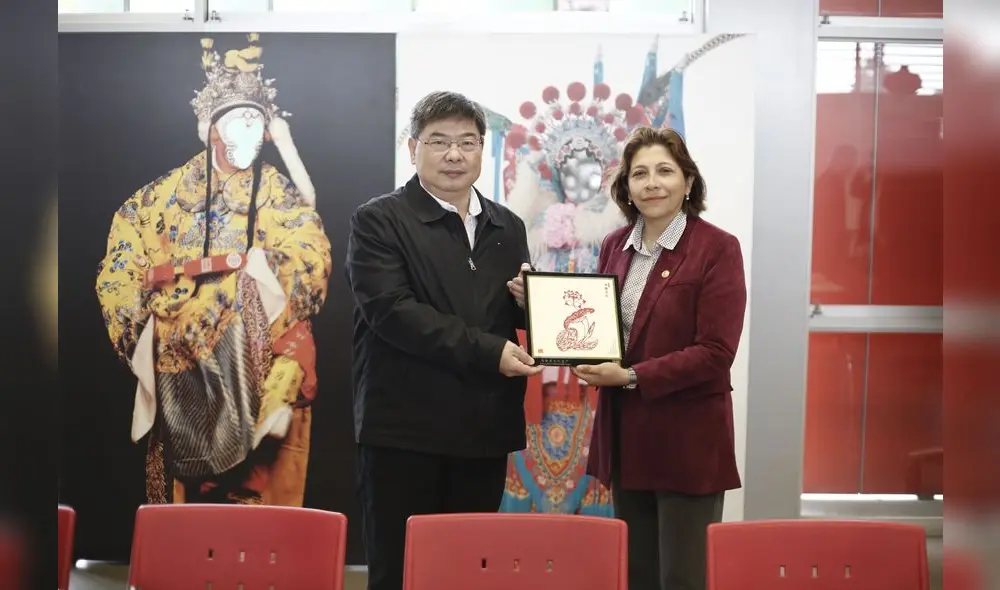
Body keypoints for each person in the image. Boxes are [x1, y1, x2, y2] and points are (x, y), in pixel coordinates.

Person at [95, 33, 332, 506]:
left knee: (262, 514)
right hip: (179, 355)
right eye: (237, 121)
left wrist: (247, 280)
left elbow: (312, 251)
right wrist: (154, 322)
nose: (249, 133)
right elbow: (116, 272)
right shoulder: (153, 200)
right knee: (185, 523)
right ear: (211, 128)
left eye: (255, 122)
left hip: (254, 352)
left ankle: (269, 409)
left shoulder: (278, 194)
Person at [345, 90, 542, 590]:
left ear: (482, 150)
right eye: (438, 141)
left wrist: (530, 306)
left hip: (484, 430)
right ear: (413, 148)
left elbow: (501, 316)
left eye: (467, 142)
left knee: (467, 570)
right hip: (405, 433)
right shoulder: (379, 220)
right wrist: (489, 351)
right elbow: (391, 312)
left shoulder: (507, 225)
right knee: (400, 570)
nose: (454, 154)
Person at [574, 126, 747, 590]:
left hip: (687, 441)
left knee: (682, 578)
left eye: (665, 171)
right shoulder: (615, 246)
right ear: (626, 186)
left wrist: (629, 375)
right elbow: (600, 327)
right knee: (637, 576)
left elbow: (716, 353)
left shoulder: (717, 247)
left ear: (688, 182)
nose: (652, 183)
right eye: (640, 173)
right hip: (626, 437)